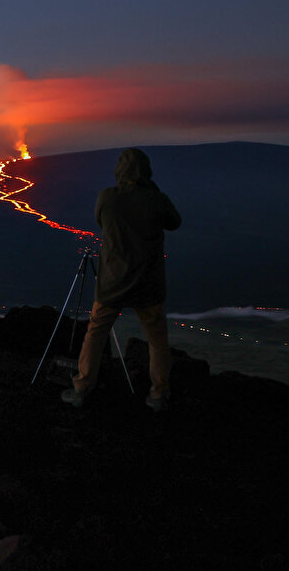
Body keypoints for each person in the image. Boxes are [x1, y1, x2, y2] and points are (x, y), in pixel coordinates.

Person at [62, 148, 182, 412]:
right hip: (148, 283)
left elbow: (100, 221)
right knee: (157, 339)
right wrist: (151, 190)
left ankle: (82, 387)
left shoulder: (107, 197)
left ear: (119, 171)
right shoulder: (156, 199)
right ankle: (159, 394)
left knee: (95, 332)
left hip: (112, 282)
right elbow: (175, 222)